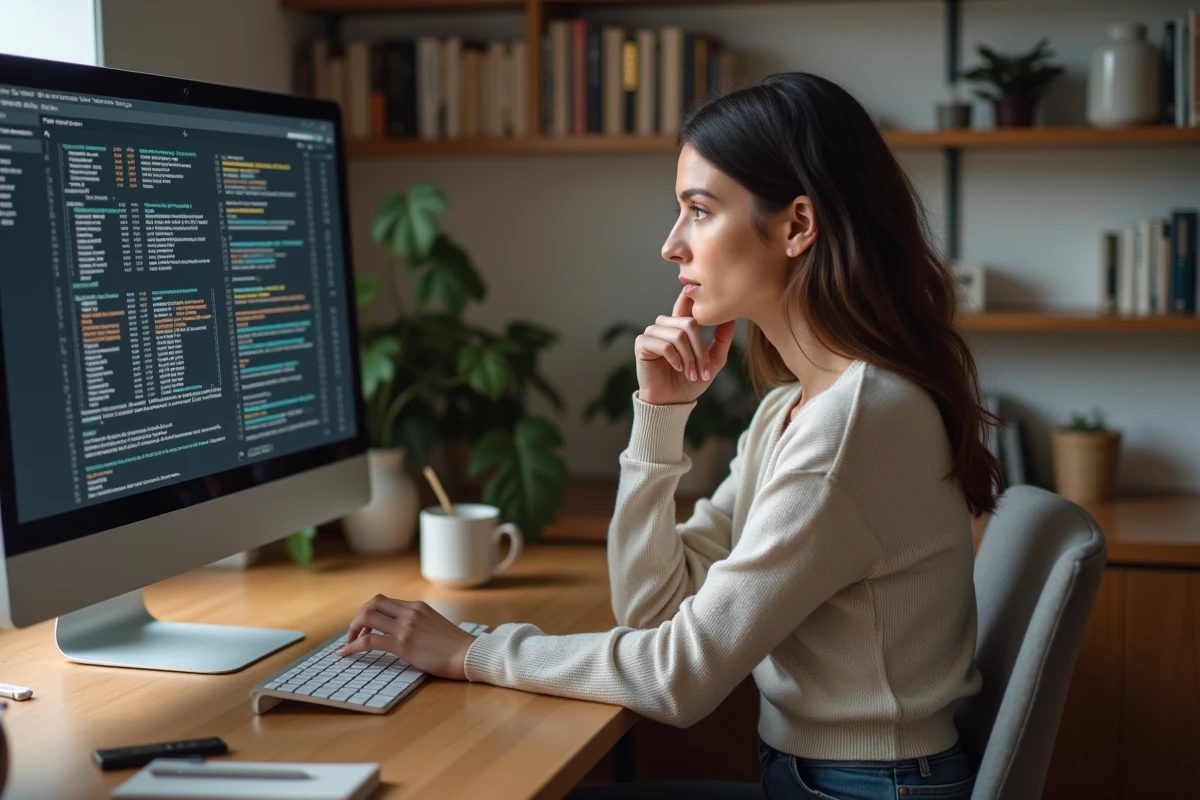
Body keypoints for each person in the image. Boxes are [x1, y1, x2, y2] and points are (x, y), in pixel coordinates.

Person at [336, 71, 1003, 800]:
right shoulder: (794, 409)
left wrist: (473, 652)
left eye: (699, 210)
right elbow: (654, 611)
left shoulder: (854, 425)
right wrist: (660, 417)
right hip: (833, 780)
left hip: (864, 789)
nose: (671, 245)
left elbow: (678, 678)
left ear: (796, 226)